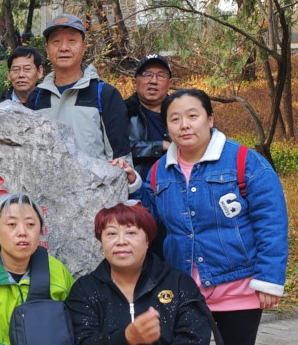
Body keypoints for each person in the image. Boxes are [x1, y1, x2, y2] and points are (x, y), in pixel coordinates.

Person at [119, 89, 289, 345]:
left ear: (209, 119)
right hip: (184, 288)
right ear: (167, 127)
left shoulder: (245, 162)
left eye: (192, 116)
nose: (184, 125)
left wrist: (269, 278)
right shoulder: (160, 171)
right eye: (174, 119)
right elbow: (151, 217)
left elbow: (272, 223)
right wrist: (134, 184)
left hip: (237, 287)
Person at [65, 201, 212, 345]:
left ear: (147, 240)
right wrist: (126, 338)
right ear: (101, 240)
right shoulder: (85, 290)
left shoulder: (179, 284)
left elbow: (195, 338)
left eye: (131, 232)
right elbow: (82, 339)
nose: (121, 241)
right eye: (111, 233)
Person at [0, 193, 75, 345]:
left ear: (40, 230)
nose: (22, 232)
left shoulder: (57, 270)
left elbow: (77, 321)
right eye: (12, 225)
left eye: (30, 225)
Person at [25, 14, 133, 165]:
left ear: (83, 47)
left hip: (94, 187)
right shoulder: (36, 97)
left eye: (72, 41)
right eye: (56, 41)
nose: (63, 48)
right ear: (47, 49)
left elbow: (120, 158)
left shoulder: (104, 94)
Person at [126, 54, 173, 179]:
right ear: (134, 82)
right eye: (147, 74)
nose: (153, 81)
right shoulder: (122, 112)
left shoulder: (181, 112)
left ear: (169, 83)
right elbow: (116, 149)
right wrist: (160, 146)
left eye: (161, 75)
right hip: (135, 187)